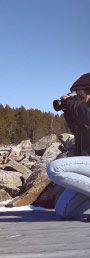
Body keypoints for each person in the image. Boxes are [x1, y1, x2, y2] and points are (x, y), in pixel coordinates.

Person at [45, 73, 90, 218]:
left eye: (79, 93)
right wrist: (68, 111)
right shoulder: (83, 111)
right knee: (64, 211)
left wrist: (73, 105)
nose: (76, 96)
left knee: (55, 168)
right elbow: (78, 129)